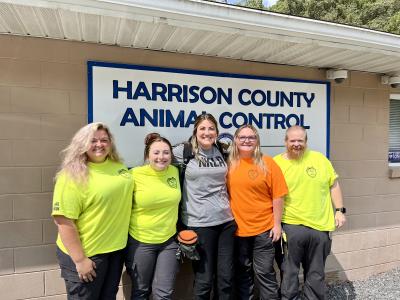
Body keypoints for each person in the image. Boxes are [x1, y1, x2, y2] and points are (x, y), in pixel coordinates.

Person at [52, 122, 134, 300]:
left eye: (104, 140)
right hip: (87, 254)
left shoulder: (118, 167)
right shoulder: (71, 176)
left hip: (115, 251)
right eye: (93, 140)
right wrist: (80, 260)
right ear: (82, 144)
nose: (99, 144)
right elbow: (63, 221)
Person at [273, 125, 346, 300]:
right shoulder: (276, 163)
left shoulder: (320, 160)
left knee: (316, 274)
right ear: (285, 142)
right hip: (290, 227)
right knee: (289, 274)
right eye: (292, 140)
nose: (296, 144)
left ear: (306, 141)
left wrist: (340, 210)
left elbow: (333, 185)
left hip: (320, 227)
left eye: (300, 140)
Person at [173, 113, 236, 300]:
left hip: (226, 222)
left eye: (211, 128)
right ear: (195, 131)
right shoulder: (183, 151)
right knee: (204, 279)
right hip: (199, 223)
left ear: (216, 132)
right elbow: (155, 157)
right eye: (202, 128)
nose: (207, 132)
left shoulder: (222, 150)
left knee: (225, 278)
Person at [227, 124, 288, 300]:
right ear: (236, 140)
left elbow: (278, 196)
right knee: (243, 274)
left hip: (264, 231)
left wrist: (277, 225)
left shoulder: (268, 163)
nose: (247, 140)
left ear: (257, 141)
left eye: (251, 137)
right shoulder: (229, 163)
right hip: (238, 231)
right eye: (242, 137)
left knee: (265, 274)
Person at [125, 133, 181, 300]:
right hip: (141, 242)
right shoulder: (134, 174)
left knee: (163, 294)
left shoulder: (174, 171)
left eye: (166, 152)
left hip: (169, 242)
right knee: (141, 291)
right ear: (147, 155)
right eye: (156, 153)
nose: (161, 157)